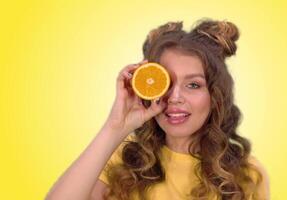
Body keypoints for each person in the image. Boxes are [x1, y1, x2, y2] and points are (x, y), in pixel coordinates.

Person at [46, 19, 270, 200]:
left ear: (215, 95)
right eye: (166, 83)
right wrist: (115, 127)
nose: (175, 97)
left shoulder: (246, 173)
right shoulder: (124, 161)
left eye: (193, 84)